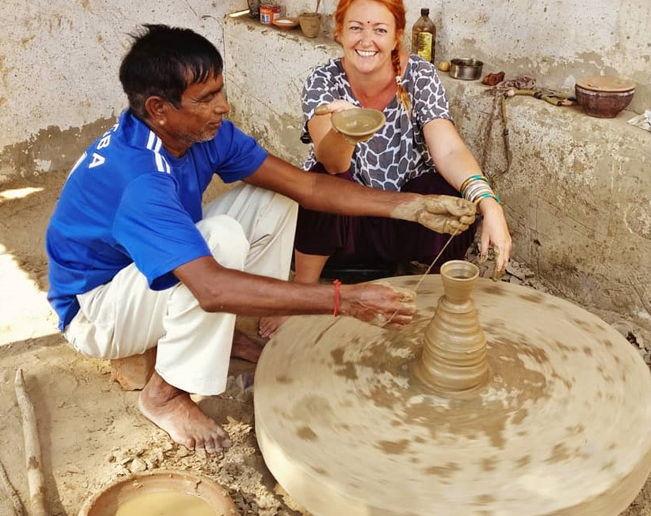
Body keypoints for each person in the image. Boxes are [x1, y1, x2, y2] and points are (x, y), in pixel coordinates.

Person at [45, 24, 477, 453]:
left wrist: (408, 206)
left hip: (146, 276)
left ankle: (224, 332)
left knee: (277, 199)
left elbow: (307, 188)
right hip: (98, 312)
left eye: (220, 90)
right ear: (159, 108)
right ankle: (164, 395)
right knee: (219, 242)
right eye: (206, 98)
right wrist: (347, 300)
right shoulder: (139, 178)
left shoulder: (196, 134)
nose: (223, 106)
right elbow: (212, 288)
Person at [259, 0, 513, 338]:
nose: (367, 40)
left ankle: (414, 281)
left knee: (457, 200)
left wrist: (489, 203)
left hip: (403, 216)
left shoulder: (420, 76)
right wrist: (344, 128)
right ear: (339, 33)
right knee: (319, 182)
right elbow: (331, 163)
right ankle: (303, 293)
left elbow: (449, 149)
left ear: (396, 36)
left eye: (380, 29)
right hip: (347, 226)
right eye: (356, 28)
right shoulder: (323, 80)